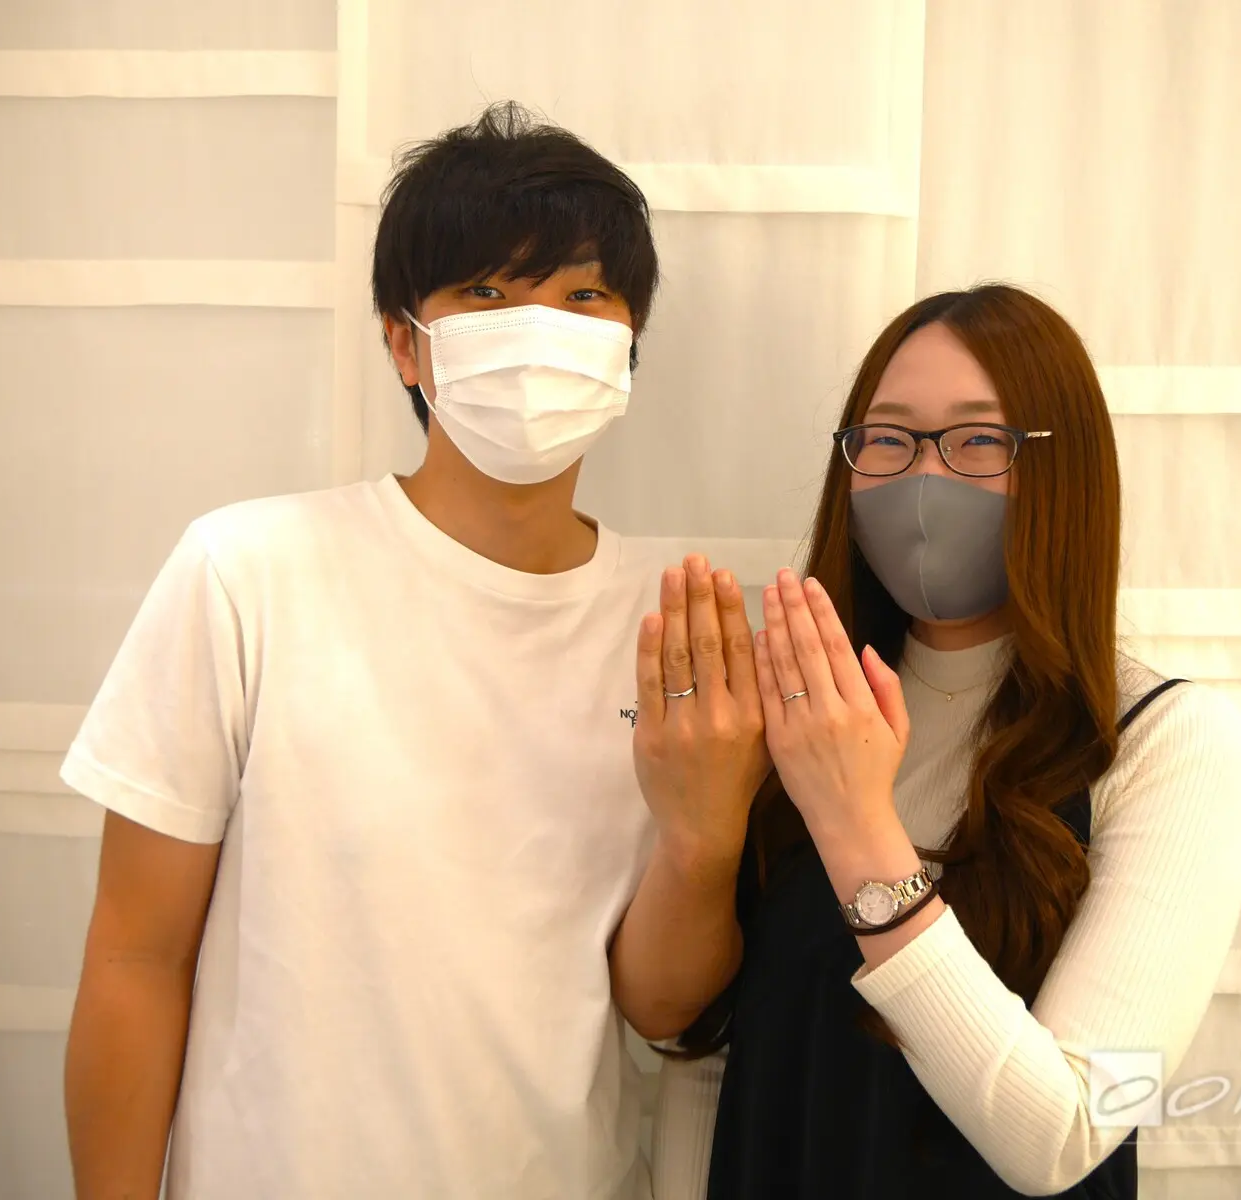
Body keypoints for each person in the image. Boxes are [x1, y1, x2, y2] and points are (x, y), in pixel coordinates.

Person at [59, 102, 765, 1200]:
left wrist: (706, 837)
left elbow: (661, 1007)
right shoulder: (248, 573)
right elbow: (136, 957)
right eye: (486, 294)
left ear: (628, 348)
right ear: (404, 341)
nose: (537, 331)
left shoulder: (676, 624)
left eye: (583, 296)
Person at [639, 284, 1241, 1198]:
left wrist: (855, 823)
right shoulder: (799, 710)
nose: (924, 479)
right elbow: (712, 1058)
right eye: (888, 439)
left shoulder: (1168, 741)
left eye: (977, 441)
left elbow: (1065, 1136)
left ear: (1065, 471)